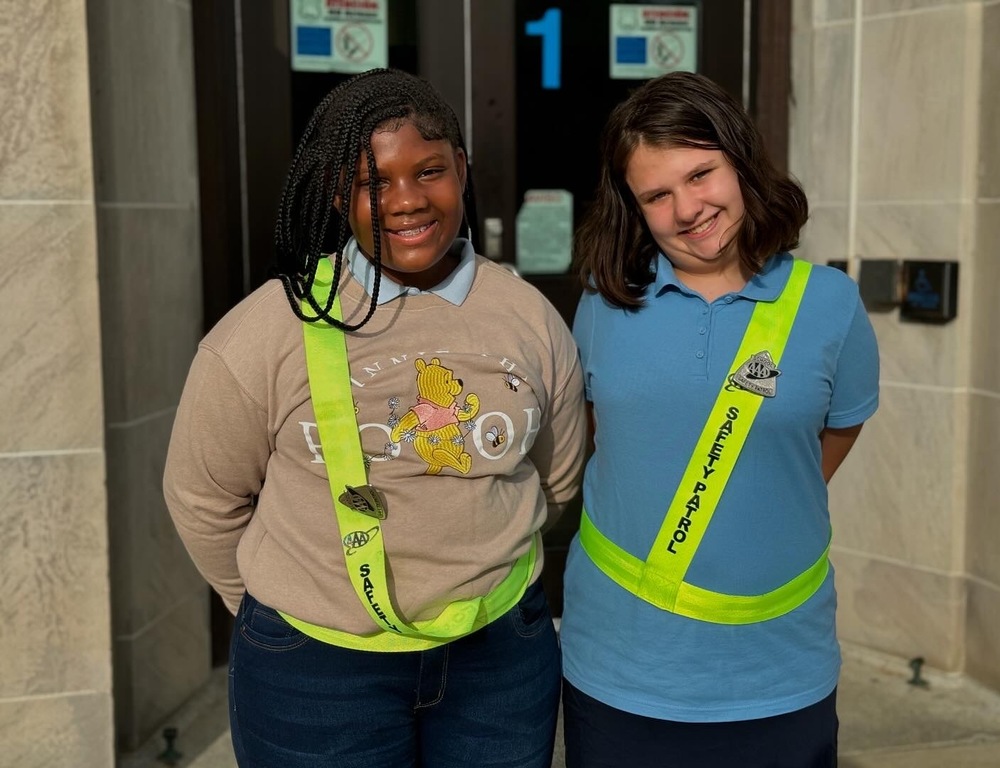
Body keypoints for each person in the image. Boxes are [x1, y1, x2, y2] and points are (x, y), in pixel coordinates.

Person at [163, 68, 586, 768]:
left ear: (463, 171)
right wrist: (283, 609)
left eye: (430, 171)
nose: (407, 200)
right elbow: (202, 497)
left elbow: (555, 480)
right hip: (316, 671)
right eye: (373, 181)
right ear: (336, 194)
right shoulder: (270, 327)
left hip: (498, 659)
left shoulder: (528, 316)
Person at [560, 71, 880, 768]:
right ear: (635, 209)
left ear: (738, 160)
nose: (687, 208)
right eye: (657, 194)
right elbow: (596, 435)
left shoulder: (830, 304)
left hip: (779, 668)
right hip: (622, 665)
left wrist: (758, 493)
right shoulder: (603, 306)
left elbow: (840, 427)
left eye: (700, 173)